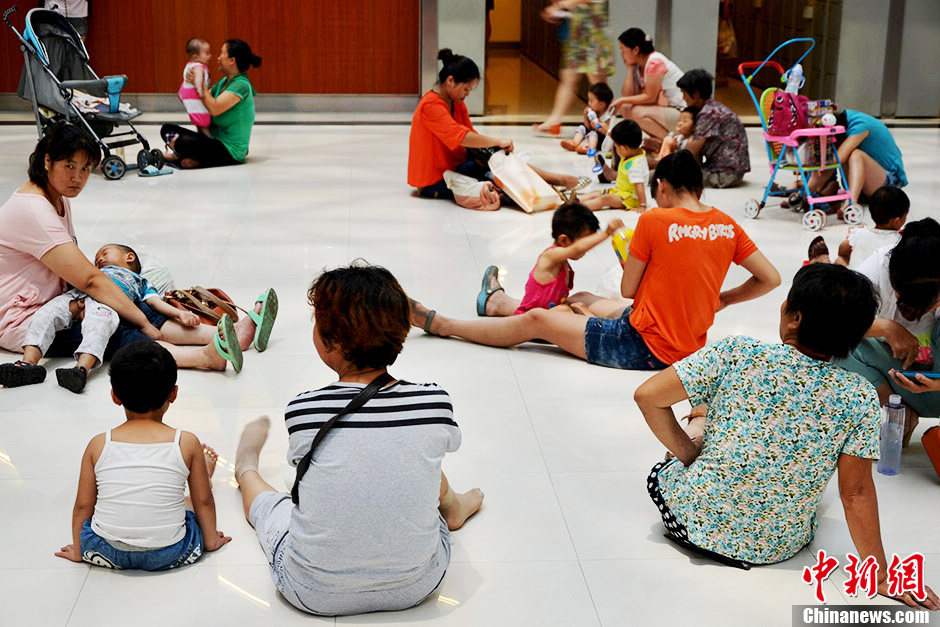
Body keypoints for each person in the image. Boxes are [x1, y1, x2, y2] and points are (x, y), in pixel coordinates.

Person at [634, 264, 940, 611]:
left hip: (687, 520)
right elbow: (855, 492)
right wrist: (882, 576)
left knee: (701, 408)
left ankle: (699, 421)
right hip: (774, 545)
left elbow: (648, 397)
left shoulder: (736, 353)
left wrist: (690, 456)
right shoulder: (859, 395)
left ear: (793, 317)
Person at [232, 263, 483, 615]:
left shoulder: (304, 409)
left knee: (273, 508)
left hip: (313, 591)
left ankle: (245, 467)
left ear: (329, 341)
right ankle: (454, 507)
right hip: (416, 583)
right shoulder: (433, 401)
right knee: (412, 456)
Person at [409, 151, 780, 370]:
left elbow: (628, 288)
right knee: (579, 298)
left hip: (644, 346)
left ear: (663, 186)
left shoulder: (654, 220)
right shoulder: (726, 225)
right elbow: (771, 278)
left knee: (539, 320)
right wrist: (725, 299)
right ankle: (497, 305)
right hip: (686, 340)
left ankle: (443, 324)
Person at [54, 341, 231, 570]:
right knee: (190, 503)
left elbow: (83, 506)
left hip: (105, 551)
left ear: (115, 396)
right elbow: (204, 502)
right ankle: (203, 475)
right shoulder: (186, 442)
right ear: (173, 394)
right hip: (172, 551)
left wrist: (80, 551)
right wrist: (210, 541)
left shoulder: (98, 444)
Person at [10, 243, 278, 392]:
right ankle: (208, 355)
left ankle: (234, 334)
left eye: (105, 253)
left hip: (125, 311)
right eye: (96, 258)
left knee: (149, 314)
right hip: (90, 313)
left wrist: (180, 313)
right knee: (130, 333)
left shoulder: (139, 280)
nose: (99, 259)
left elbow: (156, 302)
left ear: (129, 258)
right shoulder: (92, 276)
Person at [408, 49, 584, 201]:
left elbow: (470, 134)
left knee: (500, 161)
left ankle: (554, 183)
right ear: (450, 81)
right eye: (466, 89)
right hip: (435, 180)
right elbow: (462, 137)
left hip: (455, 167)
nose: (467, 94)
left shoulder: (456, 101)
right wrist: (496, 142)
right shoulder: (430, 106)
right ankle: (556, 183)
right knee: (497, 179)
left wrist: (493, 148)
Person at [839, 218, 940, 445]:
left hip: (936, 387)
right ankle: (896, 411)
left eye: (929, 306)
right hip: (897, 381)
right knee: (832, 342)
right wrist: (885, 327)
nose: (913, 315)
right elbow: (826, 320)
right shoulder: (880, 265)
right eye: (904, 303)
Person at [475, 204, 623, 316]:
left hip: (547, 315)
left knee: (578, 305)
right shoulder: (550, 257)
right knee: (566, 310)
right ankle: (600, 330)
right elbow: (576, 249)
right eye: (586, 243)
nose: (587, 249)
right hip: (533, 319)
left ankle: (600, 328)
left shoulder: (563, 261)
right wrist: (606, 233)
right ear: (564, 240)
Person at [161, 39, 261, 169]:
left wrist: (199, 82)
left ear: (232, 60)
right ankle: (194, 158)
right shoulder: (223, 83)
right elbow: (202, 99)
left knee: (182, 142)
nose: (218, 58)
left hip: (229, 149)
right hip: (213, 141)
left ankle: (189, 157)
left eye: (222, 54)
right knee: (167, 129)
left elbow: (214, 108)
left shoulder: (241, 85)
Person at [533, 0, 615, 135]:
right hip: (579, 31)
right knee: (568, 78)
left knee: (598, 83)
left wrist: (560, 6)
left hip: (593, 31)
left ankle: (609, 124)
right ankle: (555, 120)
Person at [809, 110, 907, 210]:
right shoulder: (846, 118)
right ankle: (805, 193)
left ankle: (851, 203)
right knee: (835, 158)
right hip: (868, 184)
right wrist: (804, 191)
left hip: (889, 185)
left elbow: (838, 159)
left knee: (854, 154)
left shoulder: (860, 125)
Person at [609, 28, 686, 142]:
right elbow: (628, 94)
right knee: (625, 107)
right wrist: (630, 69)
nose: (621, 54)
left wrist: (621, 100)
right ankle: (658, 142)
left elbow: (650, 97)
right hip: (667, 109)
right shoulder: (639, 64)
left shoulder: (654, 61)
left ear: (635, 50)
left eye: (623, 49)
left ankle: (670, 142)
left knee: (636, 112)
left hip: (682, 113)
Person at [676, 68, 749, 188]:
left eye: (684, 93)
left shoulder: (708, 114)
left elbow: (691, 150)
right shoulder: (711, 108)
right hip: (729, 171)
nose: (683, 97)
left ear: (696, 94)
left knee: (670, 176)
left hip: (725, 175)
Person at [581, 120, 648, 211]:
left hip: (630, 199)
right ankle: (576, 201)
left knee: (604, 199)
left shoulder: (635, 166)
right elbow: (619, 139)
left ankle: (580, 207)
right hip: (621, 192)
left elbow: (639, 186)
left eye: (616, 147)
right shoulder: (633, 150)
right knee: (597, 193)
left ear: (623, 148)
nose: (616, 150)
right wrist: (608, 131)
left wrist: (642, 205)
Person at [836, 186, 908, 269]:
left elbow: (842, 250)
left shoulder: (860, 233)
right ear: (896, 221)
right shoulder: (900, 241)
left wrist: (847, 257)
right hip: (881, 281)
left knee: (840, 260)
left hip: (856, 280)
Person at [560, 82, 614, 155]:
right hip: (593, 135)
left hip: (601, 140)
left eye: (591, 101)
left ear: (601, 104)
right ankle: (574, 144)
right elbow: (588, 127)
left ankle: (591, 148)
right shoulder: (593, 113)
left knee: (593, 133)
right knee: (582, 127)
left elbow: (607, 132)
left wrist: (597, 128)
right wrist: (585, 116)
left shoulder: (607, 117)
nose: (589, 103)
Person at [177, 37, 212, 136]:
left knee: (198, 120)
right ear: (196, 57)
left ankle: (201, 136)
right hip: (194, 95)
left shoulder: (190, 65)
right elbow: (198, 79)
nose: (210, 56)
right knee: (203, 120)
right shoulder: (198, 66)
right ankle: (210, 140)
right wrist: (200, 91)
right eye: (207, 53)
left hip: (186, 94)